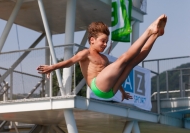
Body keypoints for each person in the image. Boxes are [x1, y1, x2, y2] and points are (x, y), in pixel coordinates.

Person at [37, 14, 167, 101]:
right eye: (103, 41)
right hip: (97, 87)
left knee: (132, 62)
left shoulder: (104, 58)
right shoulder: (86, 53)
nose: (105, 44)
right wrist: (52, 67)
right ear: (92, 40)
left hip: (111, 91)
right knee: (123, 59)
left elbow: (112, 77)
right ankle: (149, 31)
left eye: (106, 42)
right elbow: (70, 62)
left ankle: (155, 35)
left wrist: (122, 92)